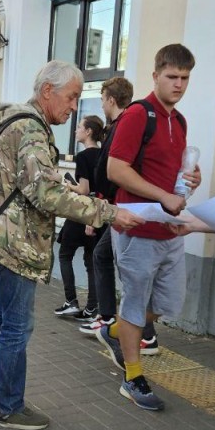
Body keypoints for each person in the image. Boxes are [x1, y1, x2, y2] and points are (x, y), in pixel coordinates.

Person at [0, 60, 144, 430]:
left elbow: (31, 183)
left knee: (3, 316)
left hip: (3, 238)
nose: (75, 106)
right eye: (72, 96)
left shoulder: (21, 121)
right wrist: (107, 213)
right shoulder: (30, 128)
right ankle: (7, 407)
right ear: (47, 92)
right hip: (16, 243)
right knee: (17, 325)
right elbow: (44, 193)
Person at [96, 44, 202, 412]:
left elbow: (169, 174)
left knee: (167, 303)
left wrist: (189, 181)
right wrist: (163, 197)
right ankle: (132, 376)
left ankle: (114, 331)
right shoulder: (139, 114)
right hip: (136, 227)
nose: (179, 84)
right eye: (172, 77)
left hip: (169, 229)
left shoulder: (180, 120)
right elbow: (116, 170)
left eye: (185, 78)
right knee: (137, 304)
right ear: (155, 75)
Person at [78, 77, 161, 355]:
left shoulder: (126, 124)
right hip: (118, 208)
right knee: (112, 262)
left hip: (123, 210)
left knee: (126, 269)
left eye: (102, 99)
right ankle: (114, 319)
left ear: (111, 100)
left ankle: (133, 329)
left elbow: (114, 172)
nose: (101, 104)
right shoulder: (120, 125)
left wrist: (102, 210)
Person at [54, 115, 105, 318]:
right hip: (98, 213)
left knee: (65, 254)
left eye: (80, 127)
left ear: (89, 131)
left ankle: (71, 301)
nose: (76, 130)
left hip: (81, 212)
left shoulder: (83, 157)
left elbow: (84, 189)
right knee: (91, 260)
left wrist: (65, 183)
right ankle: (92, 307)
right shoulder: (103, 154)